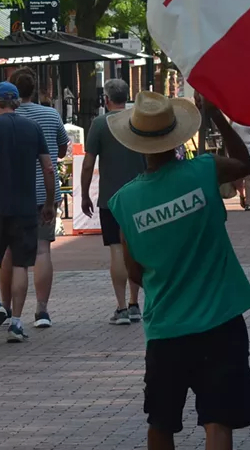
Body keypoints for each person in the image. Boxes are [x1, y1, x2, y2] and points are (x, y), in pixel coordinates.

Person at [106, 92, 250, 450]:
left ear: (137, 142)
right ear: (176, 134)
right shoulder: (205, 169)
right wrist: (217, 116)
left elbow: (135, 272)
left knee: (161, 422)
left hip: (167, 328)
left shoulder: (124, 201)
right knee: (218, 419)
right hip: (221, 320)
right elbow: (245, 164)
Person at [0, 82, 55, 344]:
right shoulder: (33, 127)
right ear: (17, 102)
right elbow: (49, 168)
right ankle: (16, 323)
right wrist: (49, 202)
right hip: (26, 206)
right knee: (20, 263)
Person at [80, 79, 148, 326]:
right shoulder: (138, 120)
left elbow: (88, 164)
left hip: (111, 199)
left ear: (106, 99)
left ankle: (120, 307)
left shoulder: (100, 124)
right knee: (136, 249)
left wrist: (85, 194)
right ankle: (134, 302)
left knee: (116, 251)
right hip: (139, 196)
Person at [8, 67, 69, 330]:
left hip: (14, 191)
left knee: (12, 251)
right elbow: (63, 148)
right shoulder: (51, 114)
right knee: (43, 249)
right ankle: (42, 310)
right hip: (47, 192)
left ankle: (8, 307)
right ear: (34, 89)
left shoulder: (6, 118)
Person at [230, 120, 250, 210]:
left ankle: (248, 203)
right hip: (237, 148)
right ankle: (242, 194)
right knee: (237, 179)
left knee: (249, 176)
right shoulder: (234, 116)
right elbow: (229, 132)